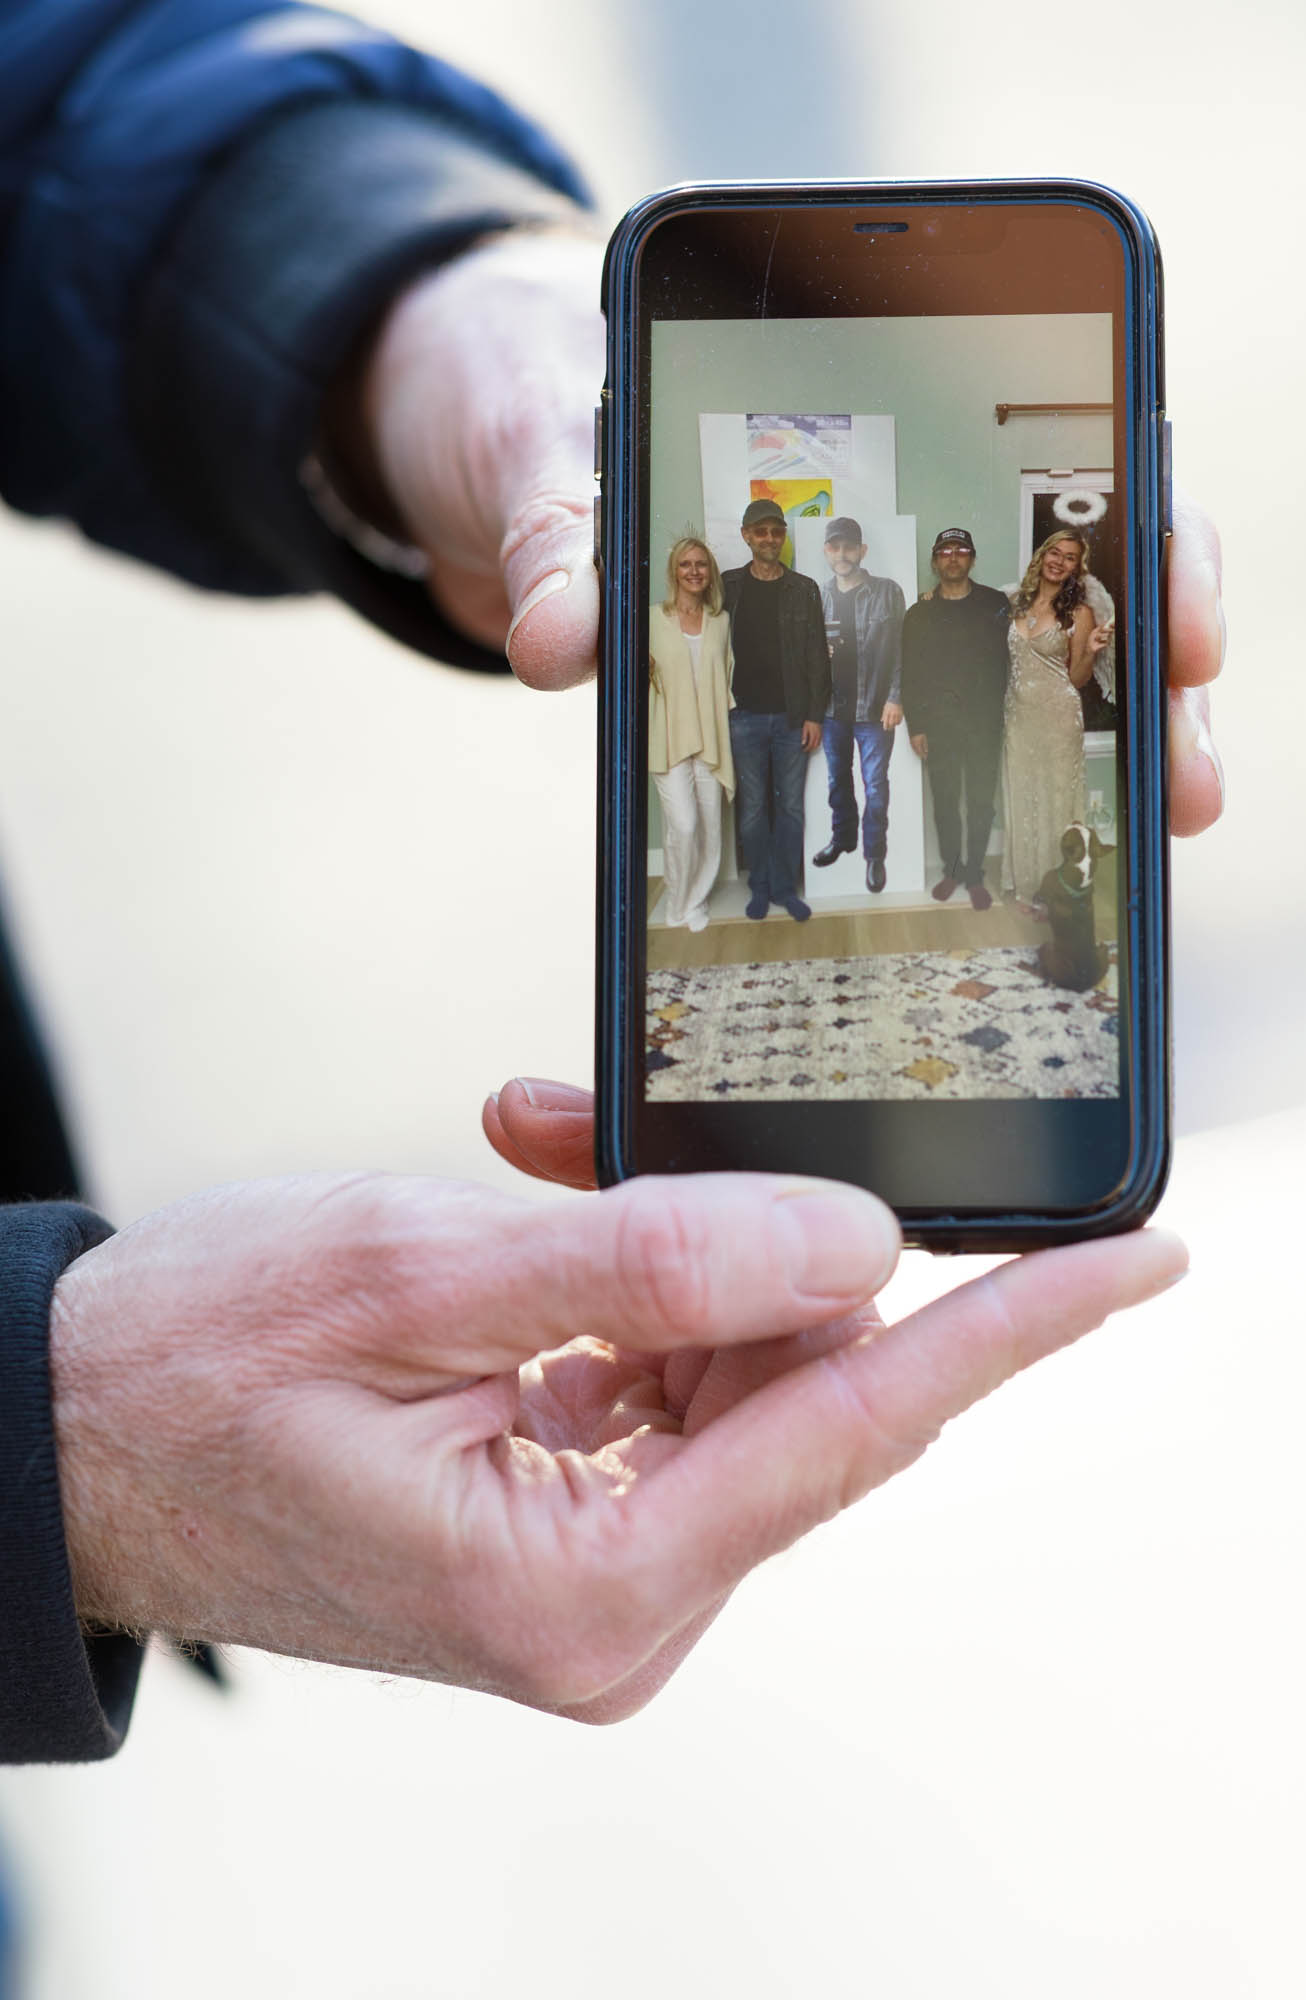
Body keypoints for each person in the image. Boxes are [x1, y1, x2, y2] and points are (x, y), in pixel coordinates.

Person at [0, 0, 1226, 1770]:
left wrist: (397, 300)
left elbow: (49, 79)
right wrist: (46, 1443)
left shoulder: (952, 598)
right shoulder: (787, 591)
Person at [721, 498, 830, 922]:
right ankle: (760, 886)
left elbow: (817, 656)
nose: (770, 538)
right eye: (761, 531)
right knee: (752, 809)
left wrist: (815, 714)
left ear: (783, 536)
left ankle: (785, 888)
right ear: (746, 536)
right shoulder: (728, 586)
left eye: (776, 531)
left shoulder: (804, 589)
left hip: (792, 718)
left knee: (790, 808)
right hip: (742, 717)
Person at [900, 528, 1012, 911]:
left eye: (961, 550)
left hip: (985, 722)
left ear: (972, 559)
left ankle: (975, 874)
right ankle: (951, 871)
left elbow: (1014, 656)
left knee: (981, 802)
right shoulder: (919, 613)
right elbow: (910, 673)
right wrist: (916, 726)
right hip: (940, 724)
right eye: (945, 551)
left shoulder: (995, 604)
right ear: (935, 561)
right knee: (945, 801)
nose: (953, 557)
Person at [1003, 531, 1112, 908]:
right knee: (1022, 794)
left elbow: (1077, 678)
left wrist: (1091, 650)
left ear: (1076, 567)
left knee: (1057, 798)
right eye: (1055, 552)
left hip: (1059, 717)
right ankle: (1025, 883)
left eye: (1070, 557)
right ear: (1042, 555)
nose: (1059, 561)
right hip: (1017, 717)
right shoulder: (1016, 602)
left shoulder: (1080, 613)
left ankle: (1057, 890)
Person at [813, 517, 905, 894]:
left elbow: (903, 649)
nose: (842, 554)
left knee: (875, 787)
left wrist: (896, 697)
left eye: (850, 547)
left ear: (862, 550)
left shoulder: (887, 592)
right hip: (832, 711)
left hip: (874, 710)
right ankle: (843, 839)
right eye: (835, 547)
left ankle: (874, 855)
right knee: (838, 781)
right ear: (826, 551)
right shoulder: (817, 595)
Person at [647, 537, 735, 930]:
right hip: (668, 737)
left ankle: (695, 901)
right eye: (686, 564)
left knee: (711, 829)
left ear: (710, 573)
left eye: (701, 564)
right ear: (674, 572)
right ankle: (676, 902)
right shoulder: (652, 619)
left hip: (711, 736)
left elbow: (725, 676)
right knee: (683, 826)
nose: (694, 571)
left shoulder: (721, 621)